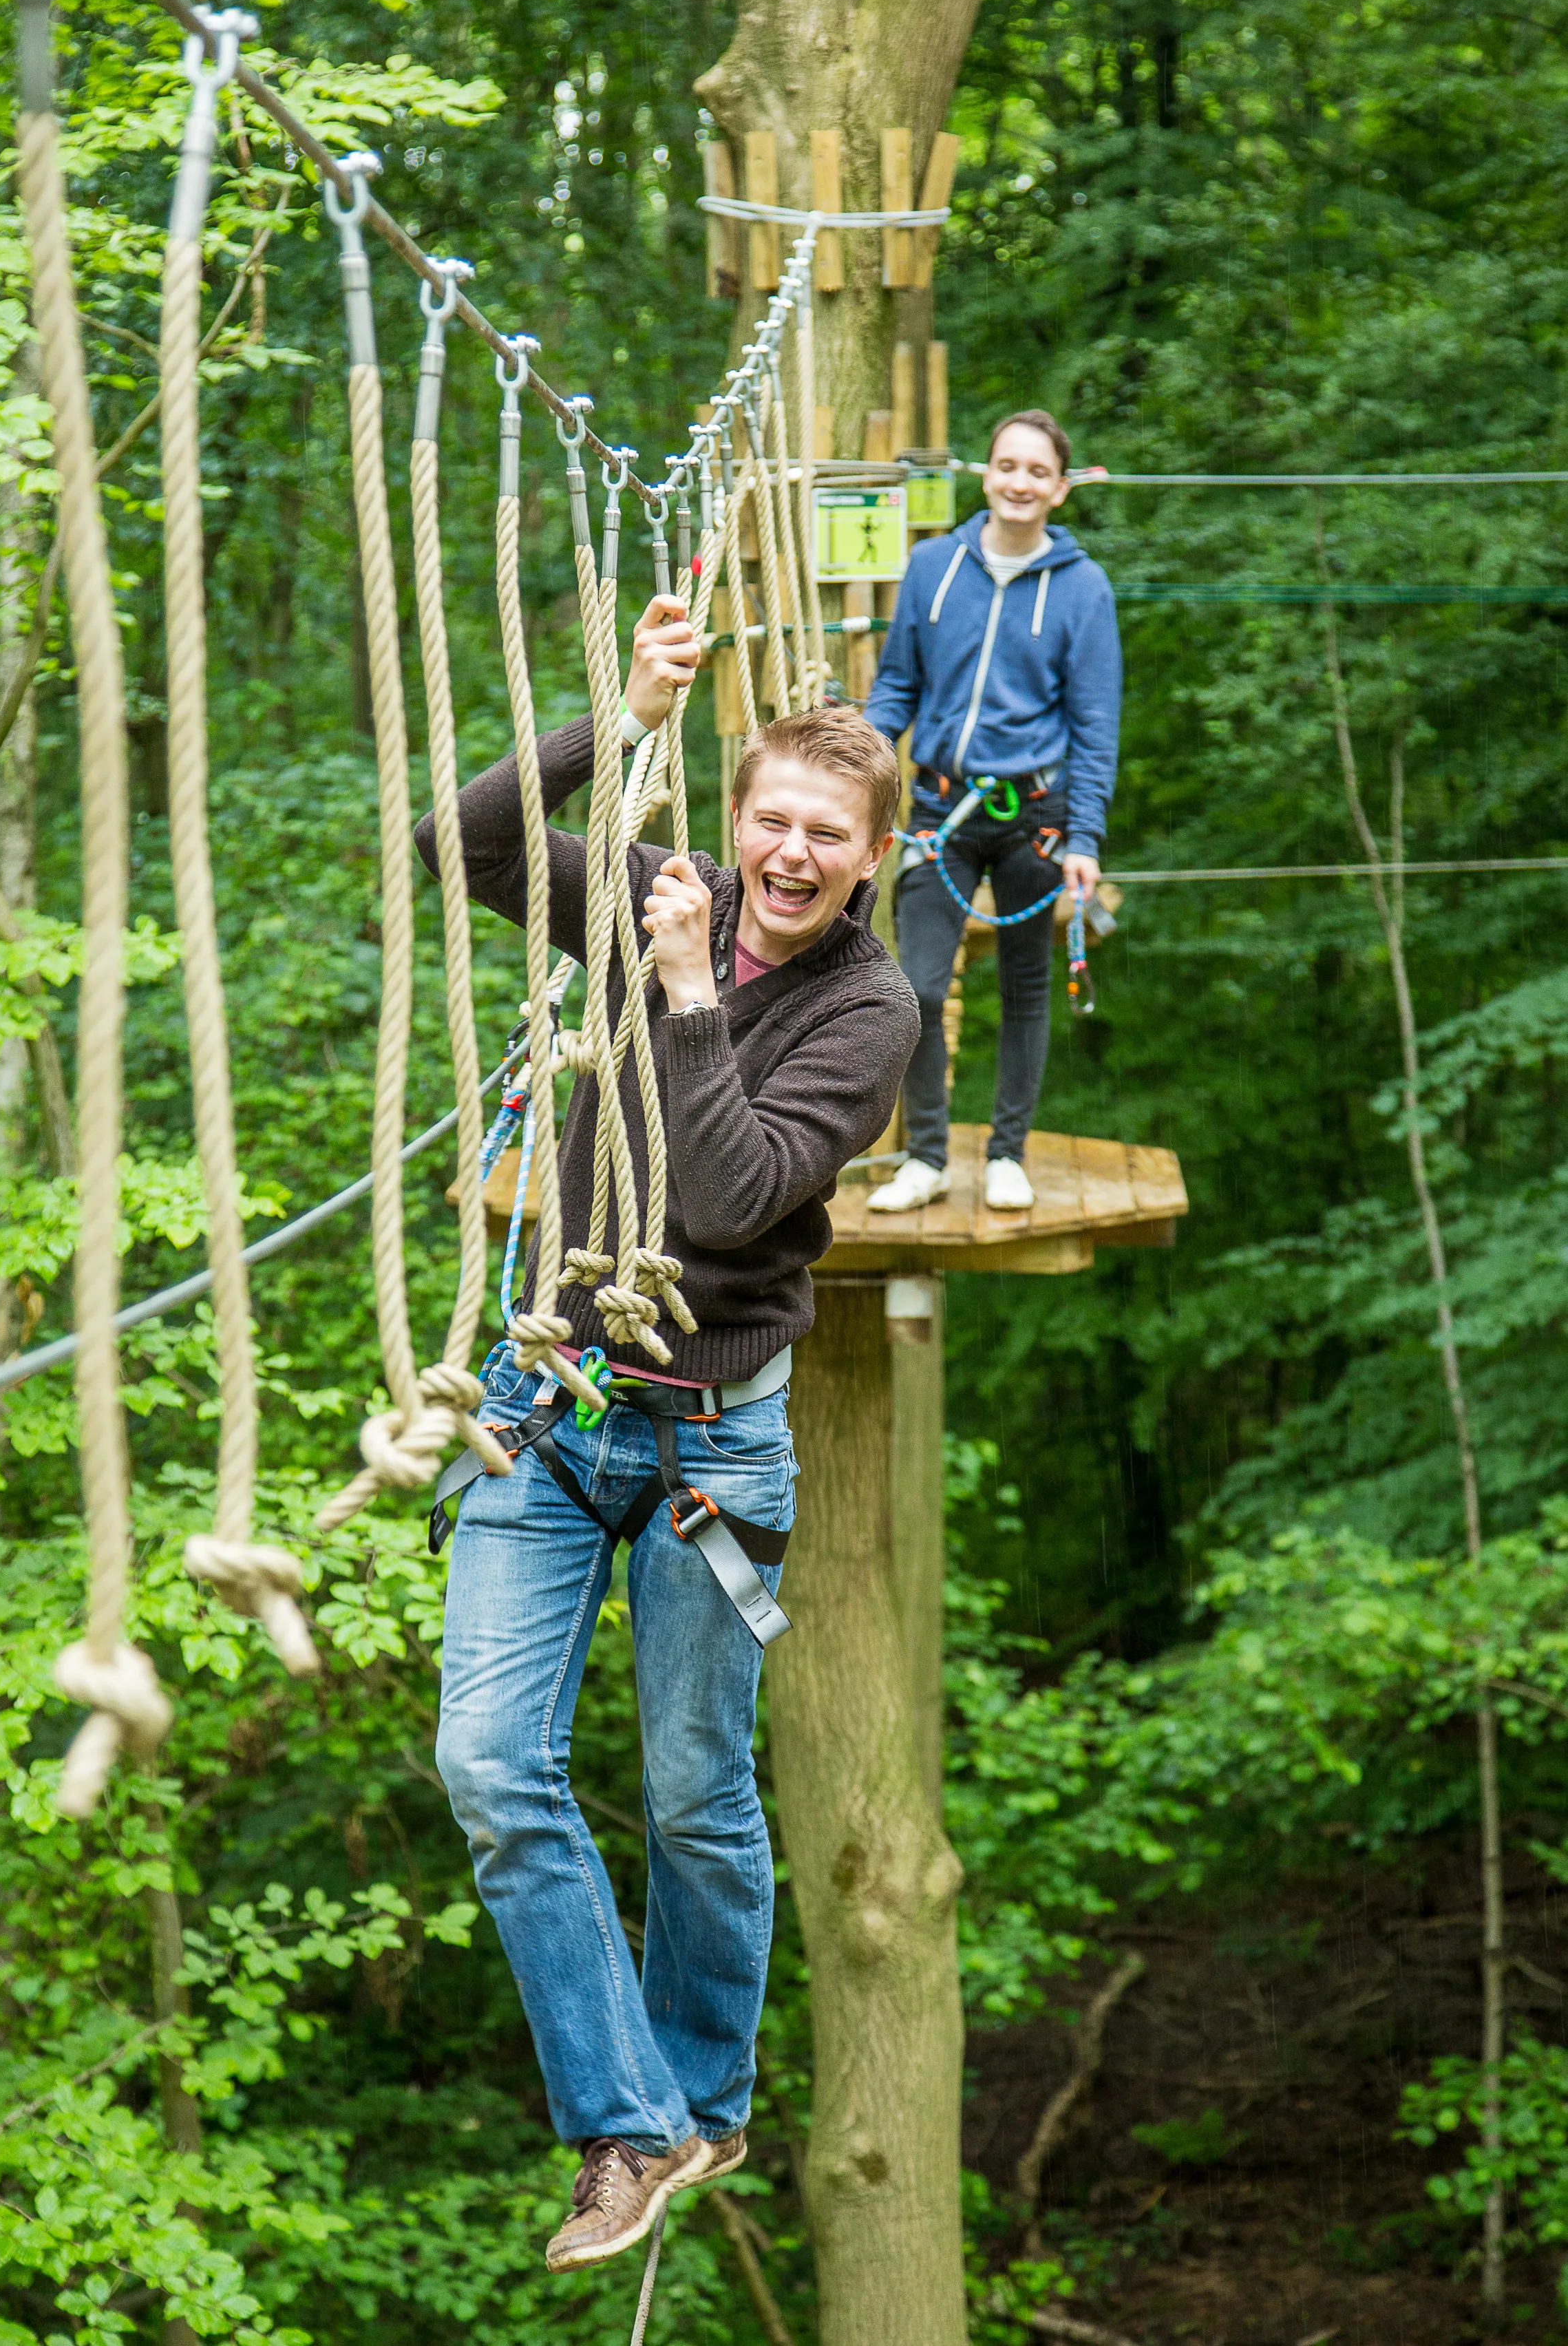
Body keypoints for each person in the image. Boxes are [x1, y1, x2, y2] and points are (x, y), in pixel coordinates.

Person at [415, 602, 915, 2275]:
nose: (787, 852)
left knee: (698, 1795)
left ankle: (704, 2097)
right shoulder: (657, 888)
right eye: (769, 817)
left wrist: (690, 993)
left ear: (864, 861)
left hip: (713, 1443)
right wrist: (619, 721)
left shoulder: (868, 1014)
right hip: (548, 1410)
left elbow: (727, 1193)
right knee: (489, 1765)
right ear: (737, 814)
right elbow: (463, 843)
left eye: (823, 837)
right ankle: (629, 2127)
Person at [862, 410, 1121, 1214]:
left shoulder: (1082, 589)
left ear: (1060, 489)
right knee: (917, 989)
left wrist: (1084, 835)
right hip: (940, 806)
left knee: (1023, 985)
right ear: (987, 474)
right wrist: (856, 778)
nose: (1019, 482)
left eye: (1036, 472)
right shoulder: (932, 566)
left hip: (1033, 812)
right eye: (1007, 465)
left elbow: (1094, 724)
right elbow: (897, 686)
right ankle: (928, 1157)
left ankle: (1007, 1152)